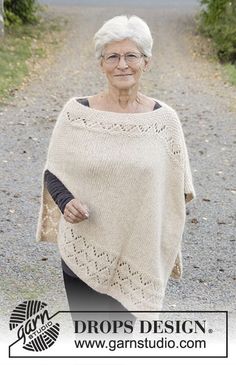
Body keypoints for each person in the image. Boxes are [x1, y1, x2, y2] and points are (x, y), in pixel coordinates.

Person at [36, 15, 196, 325]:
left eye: (131, 55)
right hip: (84, 251)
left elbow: (179, 190)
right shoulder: (76, 113)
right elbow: (53, 172)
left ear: (146, 62)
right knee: (93, 344)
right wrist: (66, 202)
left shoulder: (165, 122)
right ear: (101, 64)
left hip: (140, 254)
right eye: (112, 56)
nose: (122, 64)